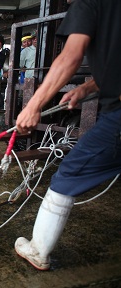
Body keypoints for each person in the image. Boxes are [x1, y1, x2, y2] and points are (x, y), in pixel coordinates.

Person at [14, 0, 121, 271]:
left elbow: (70, 57)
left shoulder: (90, 4)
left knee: (69, 173)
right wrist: (87, 88)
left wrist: (33, 106)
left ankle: (38, 250)